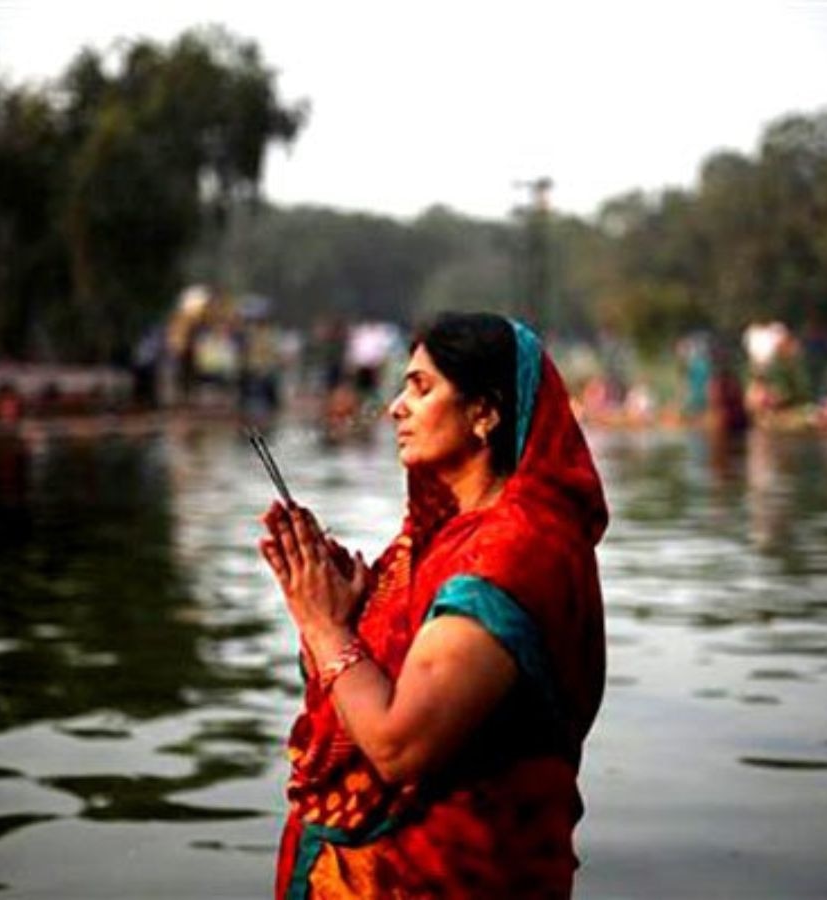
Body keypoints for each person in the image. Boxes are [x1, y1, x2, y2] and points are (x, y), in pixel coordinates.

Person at [257, 312, 608, 898]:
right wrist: (352, 610)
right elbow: (371, 682)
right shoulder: (438, 542)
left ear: (485, 412)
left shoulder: (512, 552)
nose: (396, 406)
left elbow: (399, 746)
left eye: (421, 387)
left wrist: (324, 626)